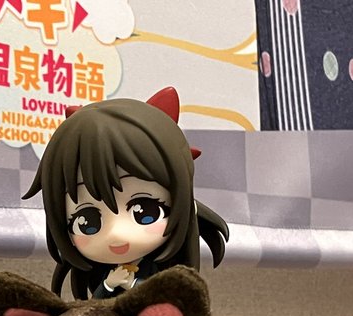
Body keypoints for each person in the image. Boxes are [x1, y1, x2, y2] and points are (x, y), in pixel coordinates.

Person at [23, 87, 229, 300]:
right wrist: (109, 284)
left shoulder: (161, 270)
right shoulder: (105, 272)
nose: (117, 233)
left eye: (146, 211)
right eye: (86, 222)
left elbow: (160, 298)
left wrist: (130, 284)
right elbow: (97, 303)